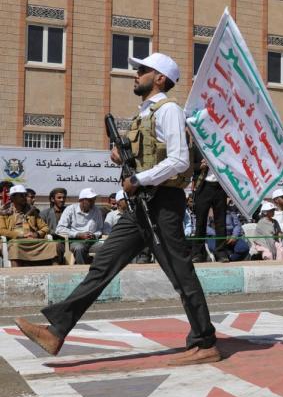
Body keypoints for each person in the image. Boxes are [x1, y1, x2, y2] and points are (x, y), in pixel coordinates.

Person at [16, 52, 220, 365]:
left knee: (181, 273)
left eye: (143, 70)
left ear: (160, 78)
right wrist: (125, 160)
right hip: (141, 205)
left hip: (162, 203)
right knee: (103, 265)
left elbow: (179, 160)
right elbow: (153, 155)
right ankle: (56, 331)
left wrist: (137, 177)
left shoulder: (168, 111)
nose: (135, 74)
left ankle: (205, 341)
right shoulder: (145, 114)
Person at [0, 185, 57, 266]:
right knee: (15, 247)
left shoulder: (31, 211)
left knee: (53, 245)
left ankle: (55, 274)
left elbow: (45, 227)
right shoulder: (3, 212)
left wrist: (36, 234)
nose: (24, 197)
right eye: (21, 195)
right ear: (13, 198)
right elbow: (1, 230)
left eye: (25, 195)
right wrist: (21, 235)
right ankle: (16, 276)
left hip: (33, 239)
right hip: (15, 240)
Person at [192, 158, 229, 263]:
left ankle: (221, 252)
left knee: (221, 221)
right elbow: (189, 165)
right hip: (203, 186)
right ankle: (198, 253)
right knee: (200, 221)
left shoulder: (223, 145)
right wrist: (200, 165)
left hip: (221, 186)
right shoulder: (197, 145)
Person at [55, 188, 104, 264]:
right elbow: (59, 229)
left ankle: (102, 271)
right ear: (81, 200)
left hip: (92, 242)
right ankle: (82, 272)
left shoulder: (97, 211)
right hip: (76, 241)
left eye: (94, 200)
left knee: (107, 247)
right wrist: (78, 235)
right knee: (79, 248)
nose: (93, 202)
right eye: (90, 200)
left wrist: (94, 235)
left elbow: (100, 229)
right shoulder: (70, 209)